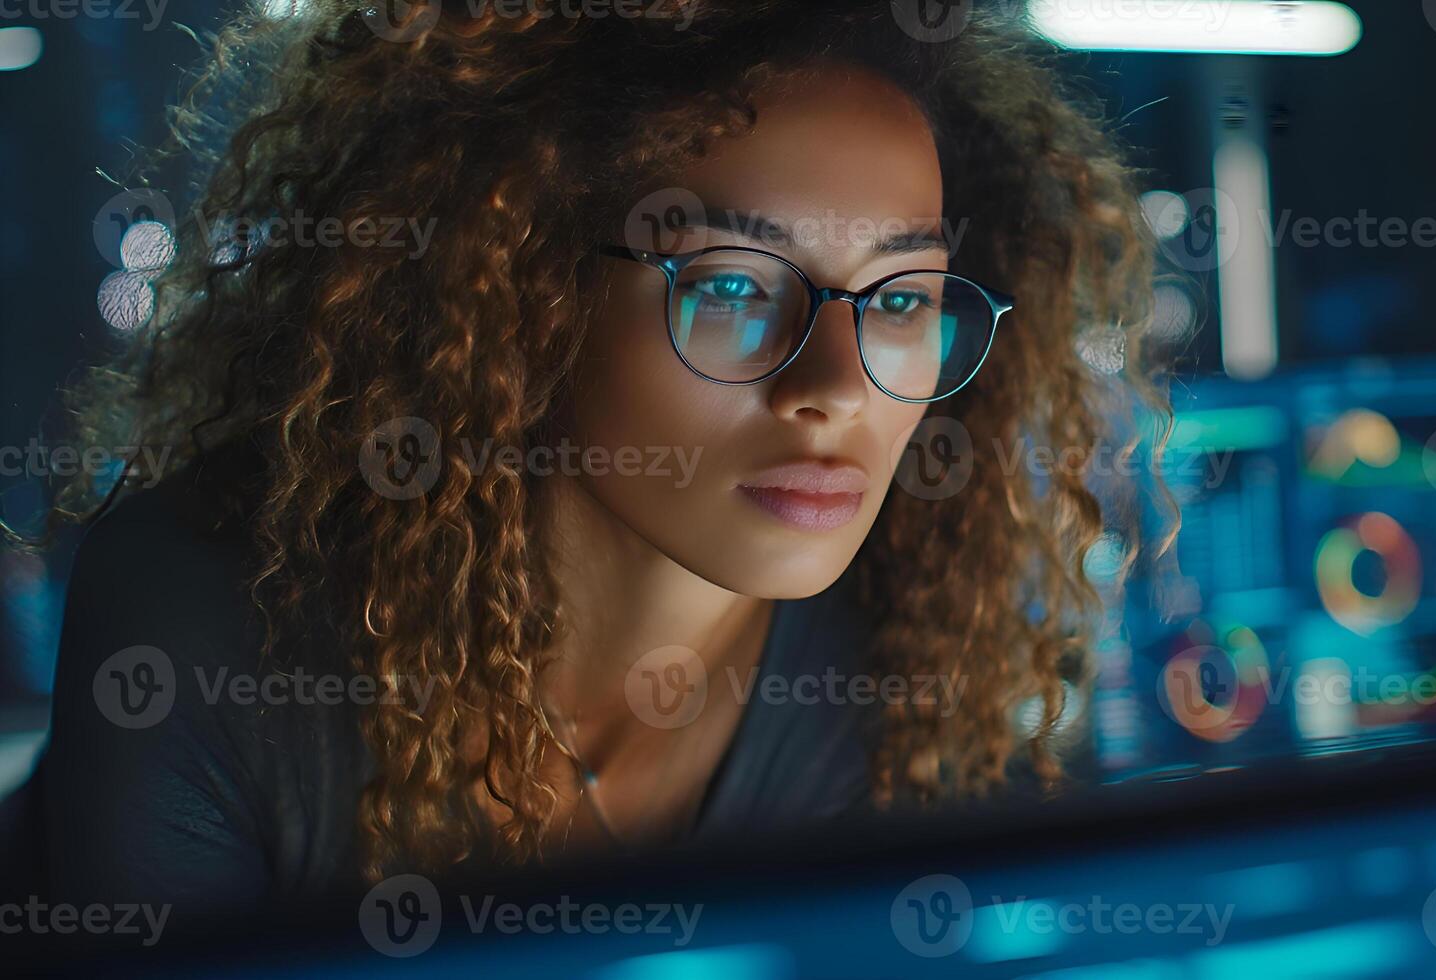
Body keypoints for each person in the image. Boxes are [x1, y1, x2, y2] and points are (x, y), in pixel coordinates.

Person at [30, 0, 1168, 914]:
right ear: (522, 290)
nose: (833, 386)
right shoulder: (213, 628)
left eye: (903, 298)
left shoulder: (911, 656)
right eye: (732, 286)